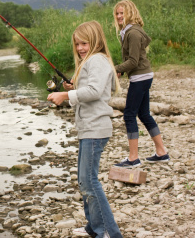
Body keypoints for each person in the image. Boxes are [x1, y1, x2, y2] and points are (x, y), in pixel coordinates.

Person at [47, 21, 122, 238]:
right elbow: (88, 90)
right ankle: (93, 226)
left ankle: (108, 232)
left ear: (95, 41)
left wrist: (65, 95)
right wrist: (74, 89)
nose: (80, 48)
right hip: (88, 129)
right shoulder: (90, 61)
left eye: (84, 43)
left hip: (95, 129)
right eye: (77, 44)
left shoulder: (97, 60)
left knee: (90, 182)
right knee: (84, 181)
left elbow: (95, 91)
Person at [112, 0, 169, 168]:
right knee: (143, 114)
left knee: (129, 114)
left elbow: (133, 61)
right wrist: (121, 70)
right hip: (142, 76)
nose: (119, 16)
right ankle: (161, 152)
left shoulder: (133, 33)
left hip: (140, 77)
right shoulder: (128, 31)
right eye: (117, 13)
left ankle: (133, 158)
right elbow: (131, 61)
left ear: (131, 13)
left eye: (122, 13)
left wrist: (115, 68)